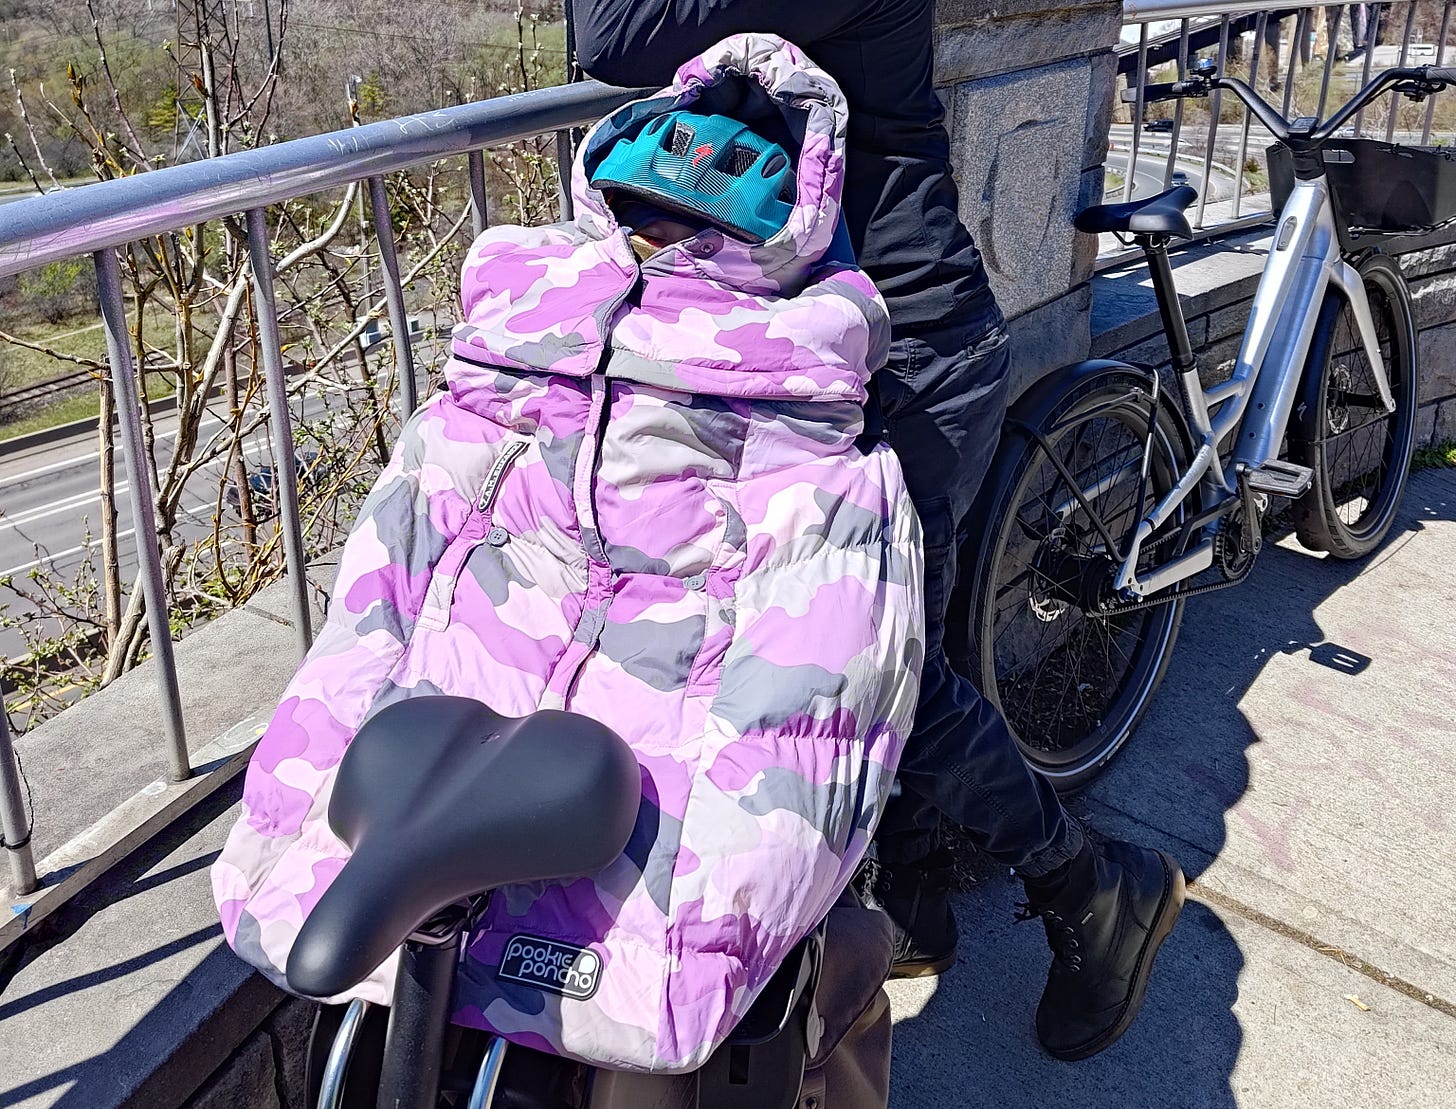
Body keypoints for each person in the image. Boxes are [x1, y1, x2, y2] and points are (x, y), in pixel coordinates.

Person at [570, 0, 1185, 1061]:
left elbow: (611, 37)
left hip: (907, 358)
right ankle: (915, 907)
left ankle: (1095, 888)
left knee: (885, 675)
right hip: (820, 356)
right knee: (890, 655)